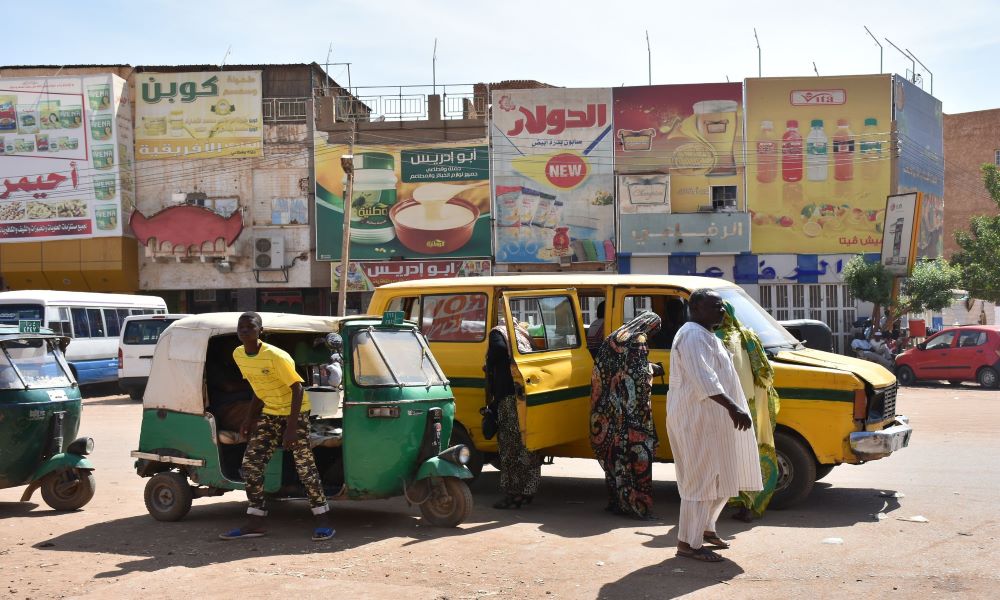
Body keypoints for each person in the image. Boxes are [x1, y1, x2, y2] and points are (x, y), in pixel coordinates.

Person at [219, 312, 334, 541]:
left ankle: (323, 521)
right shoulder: (239, 354)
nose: (244, 330)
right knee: (251, 465)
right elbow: (258, 388)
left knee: (304, 467)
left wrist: (291, 428)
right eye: (240, 327)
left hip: (296, 412)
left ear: (260, 330)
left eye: (249, 326)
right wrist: (248, 419)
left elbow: (298, 389)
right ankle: (256, 521)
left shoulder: (275, 356)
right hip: (270, 413)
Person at [667, 289, 760, 562]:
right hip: (697, 421)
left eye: (722, 307)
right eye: (715, 306)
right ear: (696, 308)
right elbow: (704, 378)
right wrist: (733, 407)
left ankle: (705, 530)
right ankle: (688, 543)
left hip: (714, 420)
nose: (721, 311)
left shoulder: (707, 334)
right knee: (700, 480)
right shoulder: (693, 335)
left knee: (721, 476)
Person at [590, 311, 661, 519]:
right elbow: (637, 376)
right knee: (638, 457)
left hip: (611, 411)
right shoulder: (639, 339)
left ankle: (616, 501)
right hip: (633, 414)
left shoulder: (613, 338)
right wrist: (652, 370)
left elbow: (605, 371)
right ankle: (637, 506)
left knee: (616, 456)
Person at [714, 302, 781, 522]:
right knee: (749, 455)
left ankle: (721, 506)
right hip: (748, 407)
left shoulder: (712, 339)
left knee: (725, 455)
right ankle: (749, 505)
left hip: (723, 407)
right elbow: (765, 374)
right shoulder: (747, 336)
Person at [486, 318, 543, 509]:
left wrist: (489, 361)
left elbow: (499, 350)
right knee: (528, 443)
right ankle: (529, 490)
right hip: (528, 394)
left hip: (510, 396)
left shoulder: (498, 332)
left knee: (510, 446)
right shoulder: (524, 334)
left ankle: (513, 493)